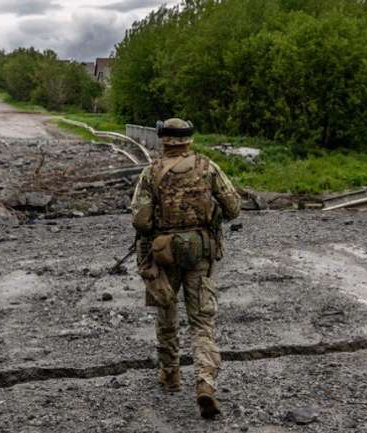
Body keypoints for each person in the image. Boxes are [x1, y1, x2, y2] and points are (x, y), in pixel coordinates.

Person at [130, 118, 240, 419]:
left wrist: (160, 226)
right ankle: (205, 383)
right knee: (202, 322)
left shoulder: (151, 172)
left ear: (163, 141)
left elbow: (140, 220)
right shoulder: (207, 167)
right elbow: (233, 207)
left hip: (164, 254)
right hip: (201, 252)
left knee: (167, 313)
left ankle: (170, 375)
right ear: (189, 141)